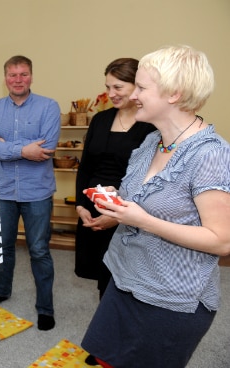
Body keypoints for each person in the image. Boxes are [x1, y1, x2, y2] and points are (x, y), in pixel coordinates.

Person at [81, 45, 230, 367]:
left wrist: (144, 220)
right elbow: (139, 199)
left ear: (174, 94)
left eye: (143, 88)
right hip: (123, 278)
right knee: (105, 358)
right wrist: (114, 201)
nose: (135, 95)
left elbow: (222, 241)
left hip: (171, 298)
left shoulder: (210, 154)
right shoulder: (151, 142)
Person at [0, 55, 60, 331]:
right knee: (2, 246)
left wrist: (6, 147)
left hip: (37, 192)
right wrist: (24, 150)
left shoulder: (49, 107)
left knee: (38, 250)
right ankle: (1, 291)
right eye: (13, 75)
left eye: (23, 74)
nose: (18, 80)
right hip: (3, 191)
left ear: (31, 76)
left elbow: (46, 147)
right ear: (5, 78)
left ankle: (45, 308)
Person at [74, 58, 156, 299]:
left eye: (118, 87)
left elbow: (150, 178)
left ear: (137, 86)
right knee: (102, 273)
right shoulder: (100, 120)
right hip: (94, 206)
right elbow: (86, 166)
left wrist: (117, 215)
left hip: (131, 209)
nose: (110, 93)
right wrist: (80, 205)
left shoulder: (151, 125)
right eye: (108, 87)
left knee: (126, 277)